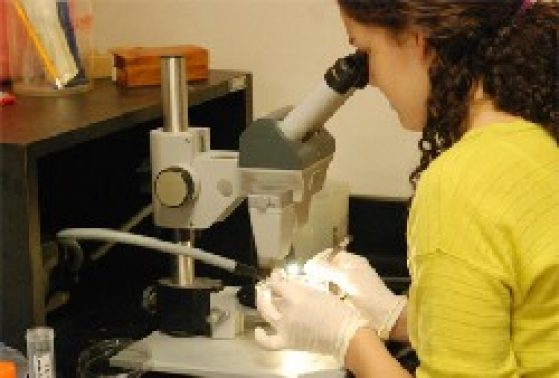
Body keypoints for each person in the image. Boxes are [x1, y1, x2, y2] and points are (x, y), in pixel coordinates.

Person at [255, 0, 559, 377]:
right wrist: (399, 317)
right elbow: (528, 330)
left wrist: (347, 340)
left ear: (418, 40)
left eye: (366, 52)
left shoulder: (459, 187)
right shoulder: (540, 140)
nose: (370, 79)